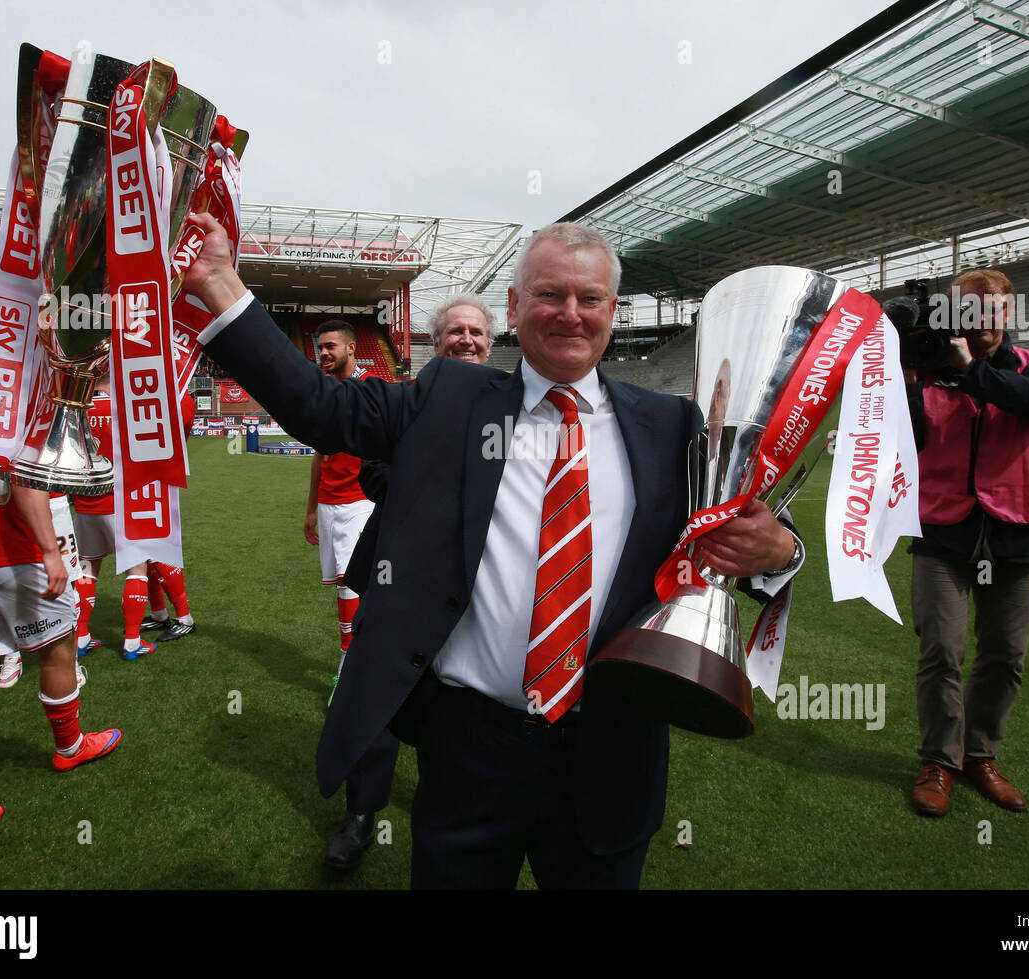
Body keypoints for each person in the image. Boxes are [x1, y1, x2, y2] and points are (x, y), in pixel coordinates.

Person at [184, 215, 801, 889]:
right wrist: (218, 279)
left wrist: (778, 549)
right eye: (549, 294)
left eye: (589, 298)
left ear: (612, 311)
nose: (570, 313)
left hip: (614, 752)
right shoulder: (449, 398)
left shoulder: (673, 426)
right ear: (513, 307)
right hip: (471, 753)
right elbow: (321, 407)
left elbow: (755, 526)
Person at [322, 294, 496, 871]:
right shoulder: (407, 400)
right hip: (399, 578)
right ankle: (362, 814)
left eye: (475, 331)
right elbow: (370, 470)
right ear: (433, 342)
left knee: (460, 707)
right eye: (454, 332)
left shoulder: (514, 402)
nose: (466, 340)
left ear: (490, 341)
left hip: (481, 592)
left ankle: (449, 809)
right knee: (378, 699)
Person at [905, 269, 1029, 817]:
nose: (982, 321)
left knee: (1004, 656)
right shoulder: (925, 373)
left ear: (1008, 314)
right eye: (967, 311)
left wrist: (969, 370)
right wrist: (898, 371)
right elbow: (897, 438)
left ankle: (981, 756)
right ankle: (939, 762)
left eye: (993, 310)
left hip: (1016, 533)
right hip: (943, 530)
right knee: (941, 652)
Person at [0, 400, 121, 851]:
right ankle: (70, 747)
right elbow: (26, 484)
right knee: (60, 647)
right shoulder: (17, 408)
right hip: (14, 553)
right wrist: (51, 552)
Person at [301, 321, 375, 684]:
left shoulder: (372, 389)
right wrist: (312, 508)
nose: (324, 353)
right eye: (320, 347)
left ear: (351, 348)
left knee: (351, 582)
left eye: (331, 346)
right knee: (344, 586)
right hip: (330, 503)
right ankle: (357, 656)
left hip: (360, 500)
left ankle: (350, 667)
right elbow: (321, 455)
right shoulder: (325, 392)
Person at [70, 378, 155, 661]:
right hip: (122, 499)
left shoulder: (78, 408)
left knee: (86, 569)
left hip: (84, 500)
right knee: (136, 568)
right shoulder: (127, 407)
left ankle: (81, 637)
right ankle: (132, 641)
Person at [139, 391, 198, 643]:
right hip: (144, 474)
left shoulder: (177, 396)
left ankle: (184, 618)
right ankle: (159, 612)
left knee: (158, 548)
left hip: (155, 476)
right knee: (145, 550)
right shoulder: (174, 394)